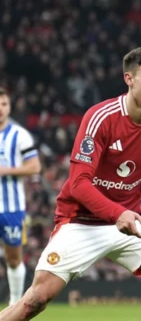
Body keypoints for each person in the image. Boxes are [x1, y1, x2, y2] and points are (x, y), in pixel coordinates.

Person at [0, 47, 141, 321]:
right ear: (129, 79)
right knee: (34, 301)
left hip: (129, 222)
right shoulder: (101, 118)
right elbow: (78, 185)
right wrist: (117, 213)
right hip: (82, 222)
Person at [0, 88, 41, 306]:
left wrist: (5, 170)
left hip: (11, 209)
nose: (0, 108)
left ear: (9, 107)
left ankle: (15, 304)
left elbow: (35, 166)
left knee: (13, 258)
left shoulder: (19, 135)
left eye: (4, 104)